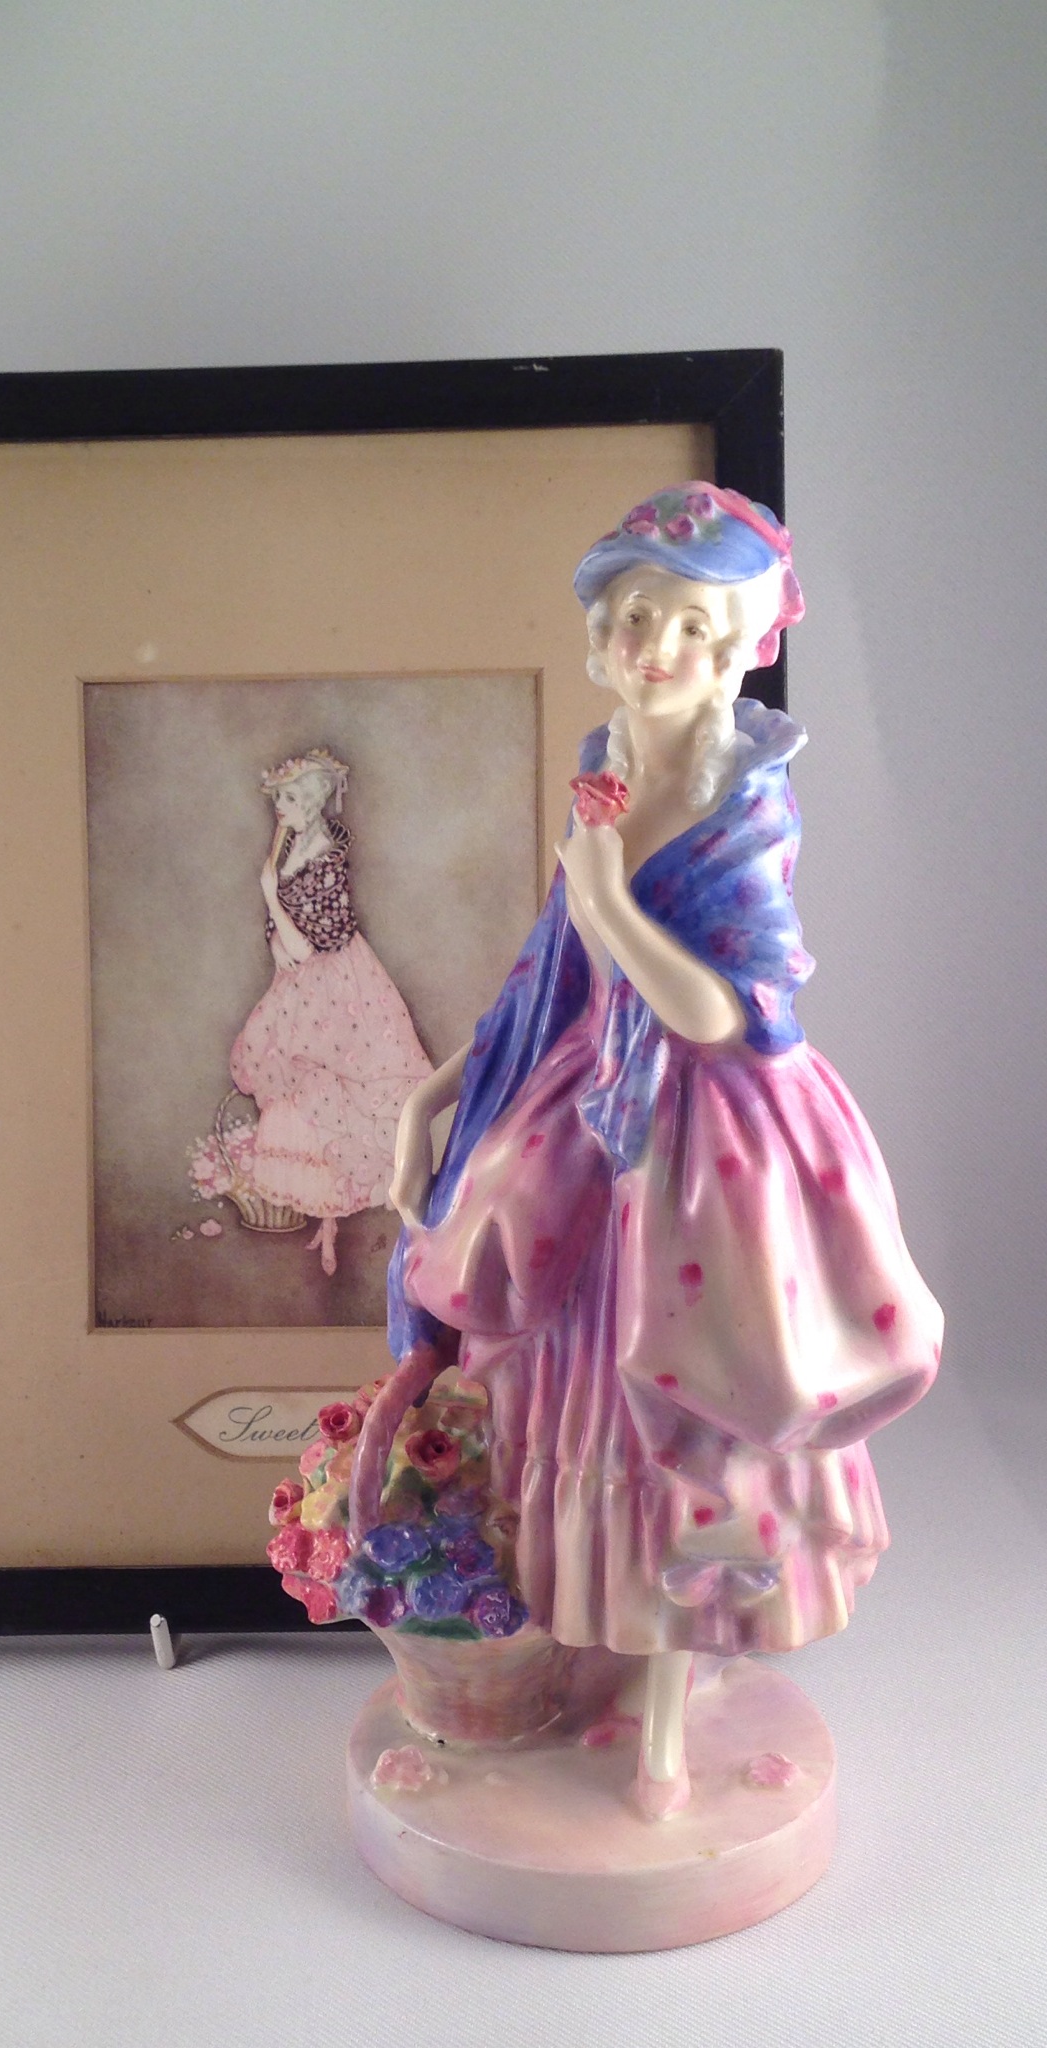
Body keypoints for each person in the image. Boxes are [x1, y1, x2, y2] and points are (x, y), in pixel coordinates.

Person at [374, 485, 942, 1815]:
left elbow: (725, 1011)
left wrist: (609, 893)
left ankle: (671, 1725)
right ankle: (594, 1648)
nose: (655, 647)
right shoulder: (611, 760)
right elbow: (555, 965)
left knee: (686, 1399)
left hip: (710, 1137)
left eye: (688, 624)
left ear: (739, 643)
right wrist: (441, 1090)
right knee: (561, 1366)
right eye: (634, 617)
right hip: (589, 1102)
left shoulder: (749, 802)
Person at [230, 747, 432, 1275]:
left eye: (288, 799)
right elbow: (285, 936)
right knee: (300, 1092)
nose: (280, 809)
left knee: (335, 1090)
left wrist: (270, 896)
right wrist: (273, 930)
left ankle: (335, 1218)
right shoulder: (293, 844)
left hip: (337, 988)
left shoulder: (326, 858)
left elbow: (308, 946)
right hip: (299, 985)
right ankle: (323, 1215)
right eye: (279, 799)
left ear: (313, 802)